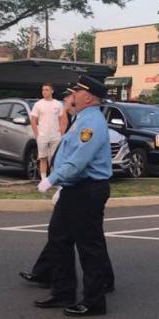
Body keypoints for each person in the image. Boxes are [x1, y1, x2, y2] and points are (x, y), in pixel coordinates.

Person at [20, 84, 115, 295]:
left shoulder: (91, 121)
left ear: (88, 97)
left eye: (76, 93)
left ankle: (93, 300)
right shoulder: (82, 118)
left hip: (86, 188)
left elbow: (78, 160)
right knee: (59, 238)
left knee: (88, 245)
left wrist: (51, 179)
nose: (71, 96)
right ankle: (62, 292)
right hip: (75, 188)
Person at [30, 84, 63, 179]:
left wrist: (61, 132)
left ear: (52, 91)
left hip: (55, 135)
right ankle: (43, 179)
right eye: (43, 90)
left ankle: (53, 178)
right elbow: (33, 120)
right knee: (43, 157)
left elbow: (62, 120)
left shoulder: (58, 104)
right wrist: (37, 134)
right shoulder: (38, 104)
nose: (44, 92)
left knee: (54, 158)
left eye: (47, 90)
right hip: (43, 135)